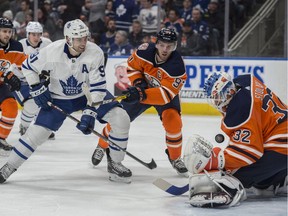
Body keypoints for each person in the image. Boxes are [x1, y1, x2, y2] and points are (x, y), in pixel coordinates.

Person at [0, 19, 132, 184]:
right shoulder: (52, 51)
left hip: (87, 95)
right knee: (36, 134)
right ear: (68, 39)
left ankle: (116, 163)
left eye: (85, 38)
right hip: (59, 98)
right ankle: (9, 166)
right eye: (79, 39)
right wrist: (36, 87)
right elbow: (27, 66)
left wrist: (90, 111)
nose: (84, 42)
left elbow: (98, 87)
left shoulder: (95, 52)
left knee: (121, 117)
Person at [91, 28, 189, 177]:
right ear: (156, 43)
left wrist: (141, 94)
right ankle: (102, 145)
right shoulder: (144, 51)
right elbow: (132, 67)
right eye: (162, 45)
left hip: (161, 94)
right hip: (142, 90)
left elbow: (165, 95)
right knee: (119, 120)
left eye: (169, 46)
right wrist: (138, 83)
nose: (165, 49)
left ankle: (175, 158)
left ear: (175, 46)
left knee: (173, 121)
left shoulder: (177, 66)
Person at [183, 71, 287, 207]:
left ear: (228, 92)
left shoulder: (241, 108)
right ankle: (277, 180)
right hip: (281, 131)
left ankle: (226, 190)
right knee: (261, 186)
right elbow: (252, 133)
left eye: (217, 97)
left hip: (282, 145)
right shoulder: (245, 81)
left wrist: (218, 160)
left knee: (236, 176)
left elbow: (250, 152)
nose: (216, 102)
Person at [17, 21, 54, 139]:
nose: (37, 37)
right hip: (21, 81)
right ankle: (24, 126)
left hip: (39, 80)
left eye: (39, 34)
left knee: (45, 103)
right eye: (34, 34)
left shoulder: (47, 44)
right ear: (28, 34)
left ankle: (41, 127)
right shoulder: (19, 45)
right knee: (32, 103)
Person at [0, 18, 23, 155]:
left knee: (11, 106)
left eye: (9, 31)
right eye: (4, 31)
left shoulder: (16, 47)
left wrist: (40, 75)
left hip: (1, 85)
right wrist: (6, 76)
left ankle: (1, 138)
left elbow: (25, 66)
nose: (7, 34)